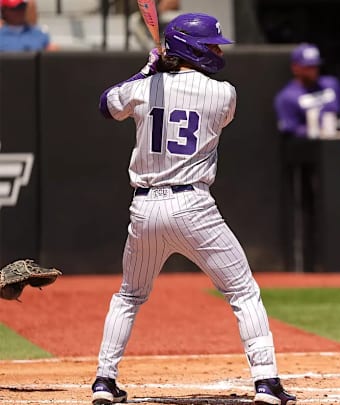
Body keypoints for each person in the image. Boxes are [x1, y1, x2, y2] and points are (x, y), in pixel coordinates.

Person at [94, 13, 296, 405]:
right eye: (211, 44)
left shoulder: (144, 88)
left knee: (129, 296)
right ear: (193, 49)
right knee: (242, 291)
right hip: (193, 207)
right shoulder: (224, 94)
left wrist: (145, 73)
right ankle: (266, 382)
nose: (218, 50)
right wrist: (157, 75)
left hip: (145, 210)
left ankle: (104, 379)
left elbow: (106, 106)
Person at [273, 43, 340, 271]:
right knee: (321, 214)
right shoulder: (287, 96)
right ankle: (324, 263)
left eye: (315, 66)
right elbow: (289, 129)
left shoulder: (330, 84)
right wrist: (318, 134)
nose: (313, 71)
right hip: (313, 165)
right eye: (307, 67)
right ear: (296, 68)